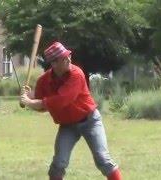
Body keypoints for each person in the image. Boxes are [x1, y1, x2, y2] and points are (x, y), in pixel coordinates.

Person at [20, 42, 122, 180]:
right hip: (68, 126)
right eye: (64, 57)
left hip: (90, 121)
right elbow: (41, 106)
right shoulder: (43, 81)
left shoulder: (76, 74)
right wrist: (27, 96)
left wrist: (30, 102)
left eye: (68, 55)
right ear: (54, 63)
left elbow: (61, 100)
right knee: (58, 163)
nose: (69, 59)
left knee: (103, 160)